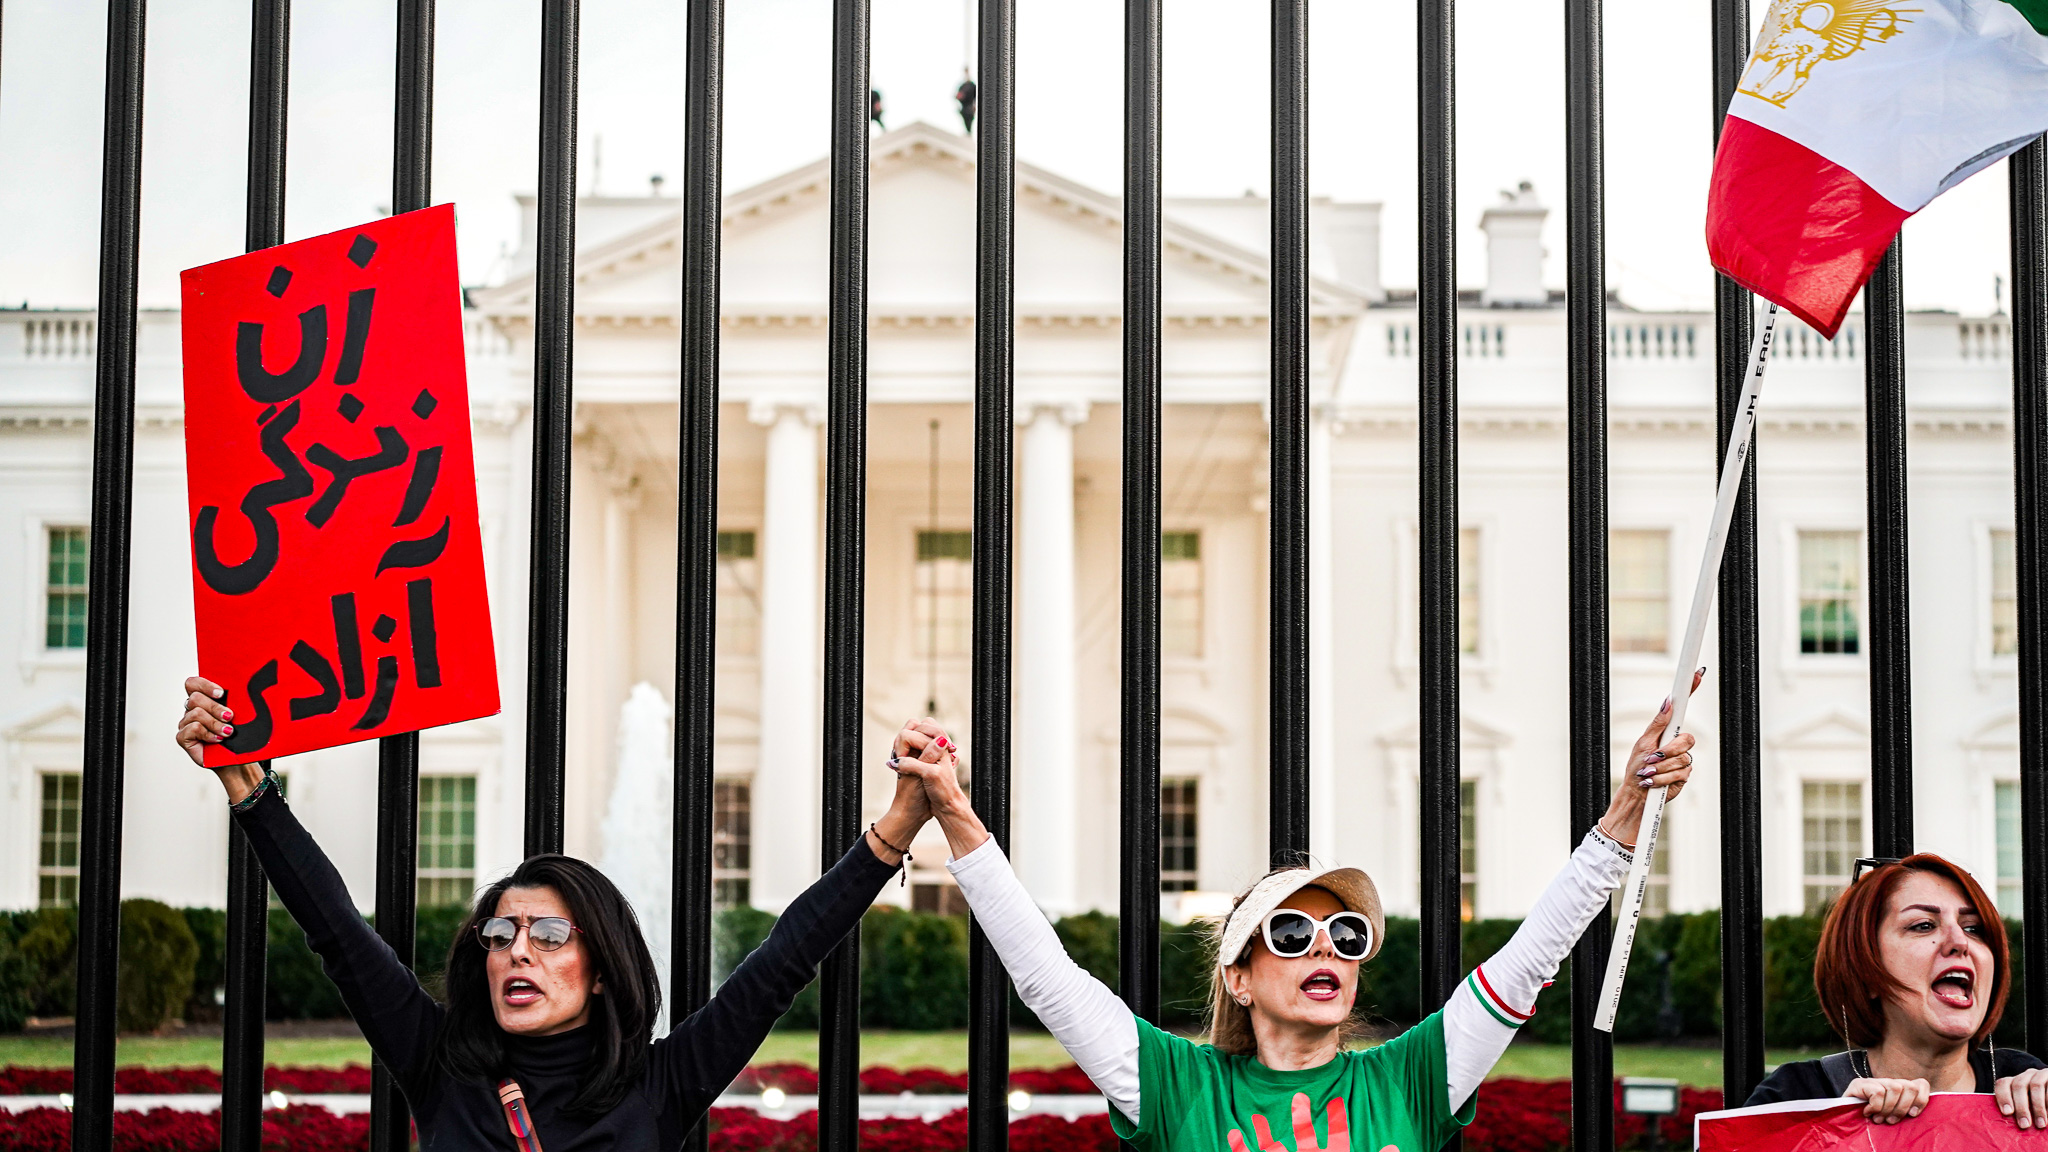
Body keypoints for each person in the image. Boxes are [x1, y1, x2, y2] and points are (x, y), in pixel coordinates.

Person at [887, 682, 1702, 1152]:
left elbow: (1529, 958)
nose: (1326, 949)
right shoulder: (1177, 1088)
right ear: (1238, 977)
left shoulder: (1412, 1079)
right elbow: (1047, 978)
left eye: (1347, 936)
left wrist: (1628, 804)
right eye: (1290, 932)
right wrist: (954, 813)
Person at [178, 676, 952, 1151]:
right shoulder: (438, 1065)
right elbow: (337, 931)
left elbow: (784, 959)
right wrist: (252, 791)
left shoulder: (659, 1086)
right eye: (502, 933)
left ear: (602, 972)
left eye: (550, 935)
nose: (519, 951)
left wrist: (894, 830)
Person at [1744, 853, 2048, 1130]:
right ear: (1864, 971)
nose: (1960, 941)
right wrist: (1837, 1130)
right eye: (1923, 925)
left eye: (1973, 928)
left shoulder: (2029, 1088)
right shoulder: (1796, 1099)